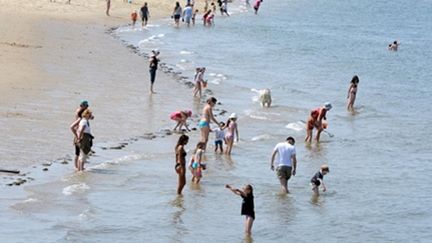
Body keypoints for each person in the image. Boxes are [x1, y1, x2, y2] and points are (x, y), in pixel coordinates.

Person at [70, 100, 89, 170]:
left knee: (78, 152)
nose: (87, 107)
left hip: (79, 133)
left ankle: (78, 167)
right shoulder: (80, 113)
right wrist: (78, 136)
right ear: (82, 105)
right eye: (86, 106)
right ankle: (77, 167)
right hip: (79, 133)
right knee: (78, 152)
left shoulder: (82, 112)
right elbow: (73, 126)